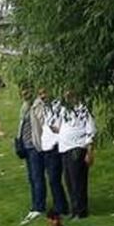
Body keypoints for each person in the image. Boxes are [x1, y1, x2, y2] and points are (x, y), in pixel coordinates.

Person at [58, 91, 96, 219]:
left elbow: (91, 131)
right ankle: (74, 209)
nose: (68, 97)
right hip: (64, 149)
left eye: (71, 95)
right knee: (68, 180)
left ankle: (81, 211)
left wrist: (89, 151)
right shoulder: (63, 110)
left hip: (77, 148)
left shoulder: (83, 109)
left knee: (78, 181)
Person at [38, 89, 70, 217]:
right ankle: (60, 205)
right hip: (47, 147)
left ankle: (63, 206)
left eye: (44, 93)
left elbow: (59, 125)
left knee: (55, 178)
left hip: (56, 145)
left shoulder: (58, 106)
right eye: (40, 94)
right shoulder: (44, 107)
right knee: (52, 179)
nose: (43, 96)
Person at [17, 87, 46, 224]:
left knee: (37, 176)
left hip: (34, 146)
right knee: (31, 178)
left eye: (26, 90)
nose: (23, 93)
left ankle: (39, 206)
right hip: (26, 146)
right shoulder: (24, 106)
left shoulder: (37, 106)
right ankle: (34, 204)